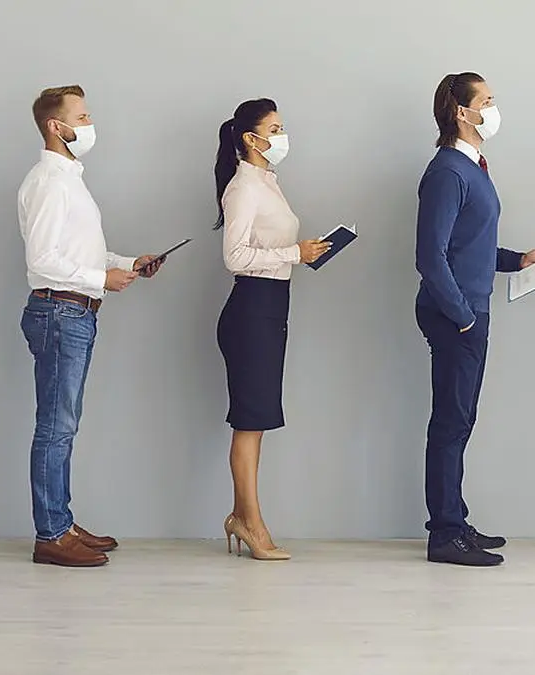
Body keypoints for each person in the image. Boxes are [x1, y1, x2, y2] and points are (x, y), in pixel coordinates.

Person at [18, 85, 166, 567]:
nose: (88, 125)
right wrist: (100, 278)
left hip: (75, 311)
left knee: (64, 425)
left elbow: (75, 254)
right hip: (60, 311)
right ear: (54, 127)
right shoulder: (47, 182)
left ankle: (60, 520)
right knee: (56, 427)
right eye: (81, 117)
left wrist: (126, 262)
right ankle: (51, 534)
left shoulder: (70, 180)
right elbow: (42, 261)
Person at [414, 72, 535, 566]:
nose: (495, 109)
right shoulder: (448, 172)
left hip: (469, 311)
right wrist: (464, 317)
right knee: (451, 422)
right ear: (462, 113)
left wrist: (517, 260)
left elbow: (466, 246)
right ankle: (444, 534)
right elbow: (430, 258)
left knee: (460, 420)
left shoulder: (472, 167)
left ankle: (455, 520)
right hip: (457, 316)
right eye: (487, 101)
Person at [213, 99, 330, 561]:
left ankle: (243, 517)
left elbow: (275, 247)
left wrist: (304, 253)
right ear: (251, 138)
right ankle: (250, 523)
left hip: (272, 305)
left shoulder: (268, 184)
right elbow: (234, 258)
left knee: (257, 420)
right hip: (251, 310)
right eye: (275, 128)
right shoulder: (243, 187)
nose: (283, 137)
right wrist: (293, 255)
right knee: (250, 421)